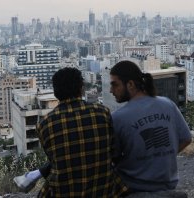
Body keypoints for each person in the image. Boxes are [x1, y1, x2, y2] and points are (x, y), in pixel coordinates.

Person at [14, 67, 127, 197]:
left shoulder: (45, 124)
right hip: (103, 190)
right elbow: (115, 153)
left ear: (56, 93)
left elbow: (55, 160)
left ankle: (33, 175)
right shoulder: (102, 112)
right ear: (81, 88)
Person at [109, 61, 192, 194]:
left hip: (133, 187)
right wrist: (161, 157)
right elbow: (186, 138)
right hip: (168, 184)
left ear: (130, 84)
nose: (111, 90)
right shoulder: (167, 104)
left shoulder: (118, 118)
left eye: (115, 84)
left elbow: (114, 157)